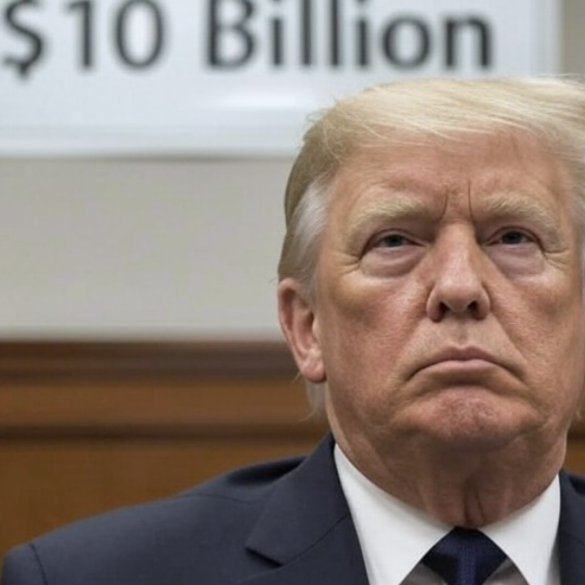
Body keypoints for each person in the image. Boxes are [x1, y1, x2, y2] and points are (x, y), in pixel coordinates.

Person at [3, 76, 585, 585]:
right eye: (393, 241)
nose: (459, 287)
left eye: (515, 238)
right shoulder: (87, 576)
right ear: (307, 328)